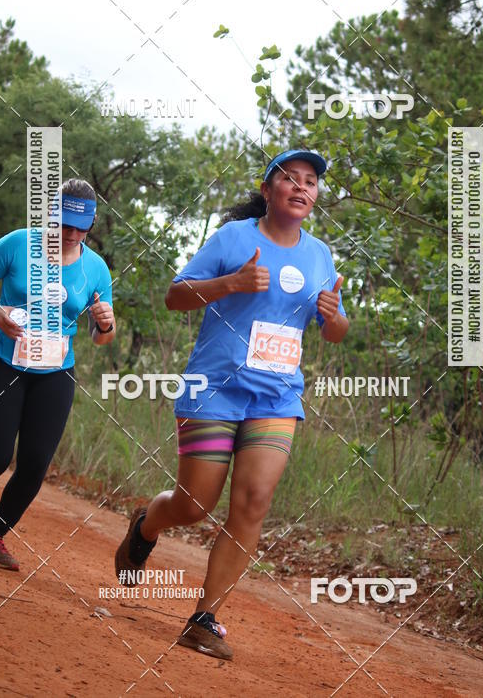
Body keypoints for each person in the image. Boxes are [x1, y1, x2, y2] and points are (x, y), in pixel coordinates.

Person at [115, 148, 349, 660]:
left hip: (277, 395)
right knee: (194, 505)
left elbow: (336, 332)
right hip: (214, 388)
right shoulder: (232, 239)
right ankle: (145, 526)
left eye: (311, 181)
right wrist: (232, 284)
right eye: (290, 178)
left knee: (253, 502)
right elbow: (175, 296)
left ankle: (204, 617)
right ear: (268, 190)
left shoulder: (319, 256)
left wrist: (333, 317)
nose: (301, 187)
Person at [0, 179, 116, 570]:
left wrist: (106, 324)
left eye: (82, 228)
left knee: (34, 464)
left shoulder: (95, 268)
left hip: (54, 373)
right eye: (65, 224)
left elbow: (100, 338)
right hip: (3, 361)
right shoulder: (17, 243)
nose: (72, 234)